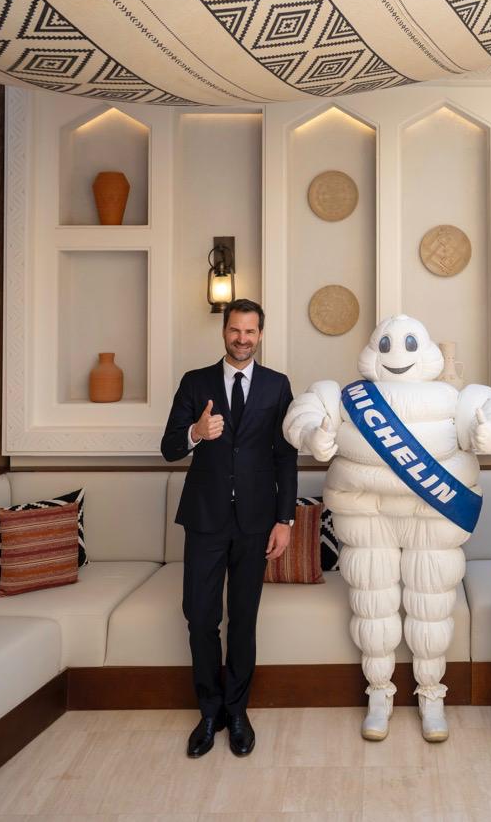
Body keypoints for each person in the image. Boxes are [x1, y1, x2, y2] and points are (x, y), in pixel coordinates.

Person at [282, 314, 491, 742]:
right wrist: (311, 435)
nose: (397, 353)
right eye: (386, 344)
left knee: (432, 607)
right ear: (372, 351)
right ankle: (379, 693)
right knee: (372, 606)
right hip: (367, 518)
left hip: (432, 517)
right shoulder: (346, 398)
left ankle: (432, 695)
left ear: (425, 351)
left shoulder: (453, 399)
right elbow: (302, 413)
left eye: (409, 345)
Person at [160, 299, 297, 759]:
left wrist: (285, 520)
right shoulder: (194, 382)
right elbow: (168, 448)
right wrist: (196, 432)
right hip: (205, 519)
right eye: (235, 330)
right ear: (224, 332)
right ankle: (209, 711)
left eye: (250, 331)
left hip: (256, 522)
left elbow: (285, 457)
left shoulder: (277, 386)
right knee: (200, 617)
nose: (242, 339)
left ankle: (237, 712)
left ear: (260, 335)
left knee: (243, 618)